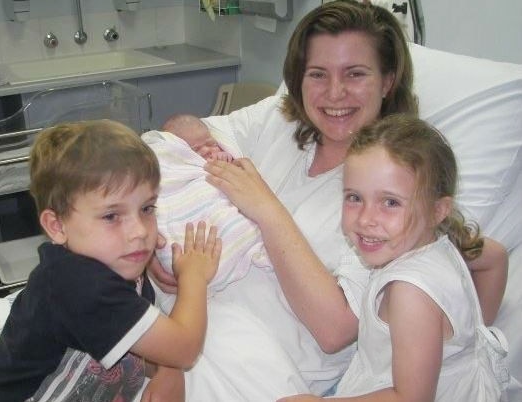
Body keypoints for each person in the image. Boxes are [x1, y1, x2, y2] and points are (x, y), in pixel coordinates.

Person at [148, 0, 508, 399]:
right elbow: (173, 150)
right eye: (317, 74)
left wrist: (267, 209)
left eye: (355, 74)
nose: (334, 93)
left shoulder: (394, 192)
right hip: (182, 317)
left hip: (260, 361)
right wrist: (151, 247)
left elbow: (336, 329)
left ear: (388, 80)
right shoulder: (277, 120)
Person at [0, 119, 221, 402]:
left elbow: (153, 344)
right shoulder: (76, 283)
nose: (139, 232)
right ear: (57, 227)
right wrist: (193, 277)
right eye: (111, 216)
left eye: (147, 208)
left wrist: (166, 369)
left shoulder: (121, 266)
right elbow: (184, 348)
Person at [280, 114, 508, 401]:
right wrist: (463, 343)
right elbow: (496, 257)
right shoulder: (441, 242)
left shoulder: (409, 292)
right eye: (354, 197)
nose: (365, 219)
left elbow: (411, 398)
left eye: (390, 203)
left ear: (438, 210)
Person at [142, 114, 271, 299]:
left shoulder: (221, 157)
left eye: (211, 143)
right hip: (186, 212)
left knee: (235, 229)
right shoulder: (171, 164)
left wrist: (225, 160)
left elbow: (235, 175)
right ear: (178, 150)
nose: (208, 151)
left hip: (218, 213)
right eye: (195, 149)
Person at [161, 113, 234, 162]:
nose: (206, 150)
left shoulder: (222, 153)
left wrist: (227, 158)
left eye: (211, 144)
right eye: (196, 149)